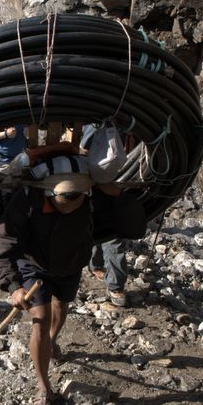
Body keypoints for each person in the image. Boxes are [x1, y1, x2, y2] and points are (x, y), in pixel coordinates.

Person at [0, 169, 93, 405]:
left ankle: (52, 340)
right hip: (34, 264)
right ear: (50, 194)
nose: (69, 208)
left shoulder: (92, 197)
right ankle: (43, 386)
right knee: (40, 319)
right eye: (64, 203)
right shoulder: (28, 200)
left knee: (62, 304)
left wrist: (120, 197)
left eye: (76, 202)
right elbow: (3, 240)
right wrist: (13, 286)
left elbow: (125, 224)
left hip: (70, 263)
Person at [80, 123, 129, 307]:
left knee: (109, 233)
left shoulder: (117, 124)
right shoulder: (96, 124)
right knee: (103, 230)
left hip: (111, 182)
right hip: (97, 184)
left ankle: (113, 282)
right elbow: (82, 151)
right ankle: (112, 282)